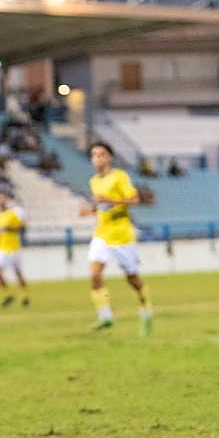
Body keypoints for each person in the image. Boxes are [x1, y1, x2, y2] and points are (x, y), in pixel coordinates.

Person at [78, 141, 152, 334]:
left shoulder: (120, 177)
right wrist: (90, 211)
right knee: (94, 274)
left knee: (133, 279)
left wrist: (109, 200)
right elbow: (103, 207)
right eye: (94, 155)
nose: (97, 158)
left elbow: (134, 200)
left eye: (101, 154)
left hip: (122, 236)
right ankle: (105, 316)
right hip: (102, 234)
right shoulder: (94, 181)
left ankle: (146, 309)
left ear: (109, 157)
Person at [0, 191, 29, 307]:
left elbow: (22, 227)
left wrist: (9, 229)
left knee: (17, 272)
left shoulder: (12, 214)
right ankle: (8, 294)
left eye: (2, 199)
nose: (0, 201)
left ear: (5, 200)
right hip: (1, 248)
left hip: (13, 248)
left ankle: (25, 295)